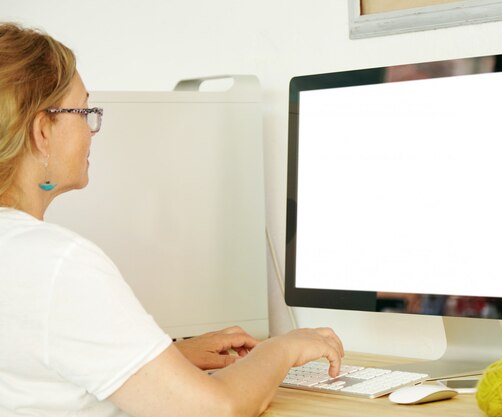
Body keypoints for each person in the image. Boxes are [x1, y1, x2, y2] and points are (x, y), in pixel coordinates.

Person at [0, 22, 343, 417]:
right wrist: (284, 348)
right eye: (83, 112)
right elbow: (216, 408)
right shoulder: (57, 263)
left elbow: (36, 376)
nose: (93, 129)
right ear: (43, 130)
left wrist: (163, 358)